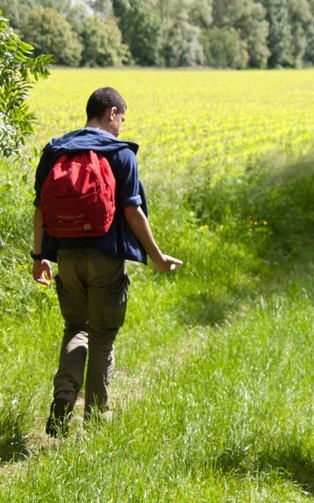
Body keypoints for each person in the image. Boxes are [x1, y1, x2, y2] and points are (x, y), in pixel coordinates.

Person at [31, 87, 183, 437]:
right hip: (106, 258)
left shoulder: (55, 150)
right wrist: (156, 258)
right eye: (122, 120)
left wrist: (40, 258)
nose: (120, 127)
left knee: (75, 328)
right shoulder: (120, 153)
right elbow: (132, 212)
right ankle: (96, 421)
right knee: (101, 337)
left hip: (66, 257)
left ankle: (65, 392)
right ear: (112, 112)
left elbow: (39, 209)